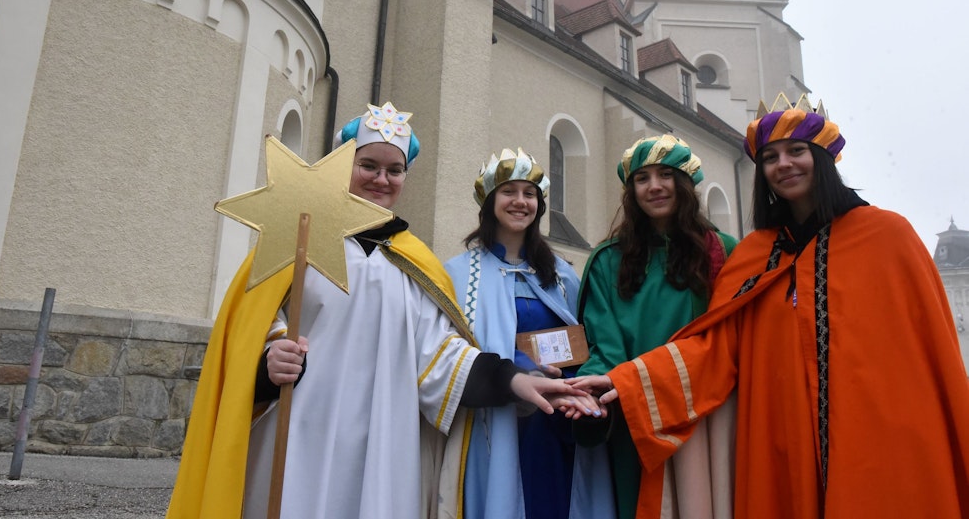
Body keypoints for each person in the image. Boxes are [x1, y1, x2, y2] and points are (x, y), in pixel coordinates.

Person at [167, 103, 588, 519]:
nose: (381, 179)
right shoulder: (296, 241)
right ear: (343, 165)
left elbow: (440, 357)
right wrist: (269, 357)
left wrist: (514, 381)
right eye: (368, 165)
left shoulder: (413, 260)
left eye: (394, 170)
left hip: (383, 442)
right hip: (300, 432)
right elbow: (250, 327)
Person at [571, 94, 969, 518]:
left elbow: (935, 353)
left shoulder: (888, 236)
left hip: (880, 435)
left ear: (822, 157)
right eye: (770, 157)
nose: (784, 164)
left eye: (796, 151)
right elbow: (717, 347)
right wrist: (624, 382)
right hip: (782, 443)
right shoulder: (755, 254)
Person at [573, 134, 738, 519]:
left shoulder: (723, 251)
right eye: (642, 178)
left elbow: (731, 336)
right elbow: (605, 345)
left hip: (705, 411)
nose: (654, 186)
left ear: (685, 183)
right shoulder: (606, 261)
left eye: (666, 175)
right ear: (631, 191)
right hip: (635, 414)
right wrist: (587, 390)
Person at [444, 148, 614, 519]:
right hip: (498, 418)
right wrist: (523, 368)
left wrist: (577, 387)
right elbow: (455, 352)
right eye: (509, 191)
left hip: (557, 421)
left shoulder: (563, 274)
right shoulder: (458, 275)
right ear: (489, 201)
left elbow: (583, 341)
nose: (520, 201)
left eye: (530, 193)